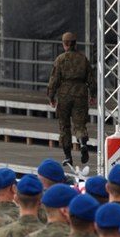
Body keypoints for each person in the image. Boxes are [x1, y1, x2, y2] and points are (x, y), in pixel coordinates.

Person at [46, 31, 96, 166]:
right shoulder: (83, 59)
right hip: (80, 93)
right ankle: (82, 143)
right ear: (75, 44)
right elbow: (91, 79)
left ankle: (68, 156)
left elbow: (54, 80)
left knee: (64, 126)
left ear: (64, 44)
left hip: (64, 94)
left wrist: (51, 96)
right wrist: (93, 94)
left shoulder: (60, 59)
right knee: (80, 124)